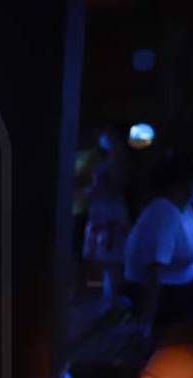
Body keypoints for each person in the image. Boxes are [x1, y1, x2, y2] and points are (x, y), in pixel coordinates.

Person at [123, 151, 193, 337]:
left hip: (184, 293)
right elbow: (154, 273)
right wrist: (145, 324)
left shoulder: (187, 211)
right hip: (167, 301)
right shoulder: (163, 213)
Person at [83, 126, 131, 306]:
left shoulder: (117, 165)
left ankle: (114, 295)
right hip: (101, 211)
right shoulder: (107, 162)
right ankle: (103, 292)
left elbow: (115, 189)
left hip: (110, 212)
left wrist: (95, 189)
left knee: (112, 254)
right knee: (98, 253)